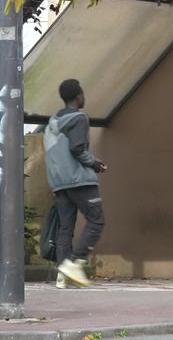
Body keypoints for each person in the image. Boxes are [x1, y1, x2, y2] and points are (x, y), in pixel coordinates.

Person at [44, 79, 107, 288]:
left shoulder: (52, 124)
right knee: (96, 220)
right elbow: (78, 149)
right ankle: (73, 263)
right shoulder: (79, 119)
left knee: (65, 229)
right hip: (79, 180)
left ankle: (62, 275)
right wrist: (94, 162)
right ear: (79, 96)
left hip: (60, 184)